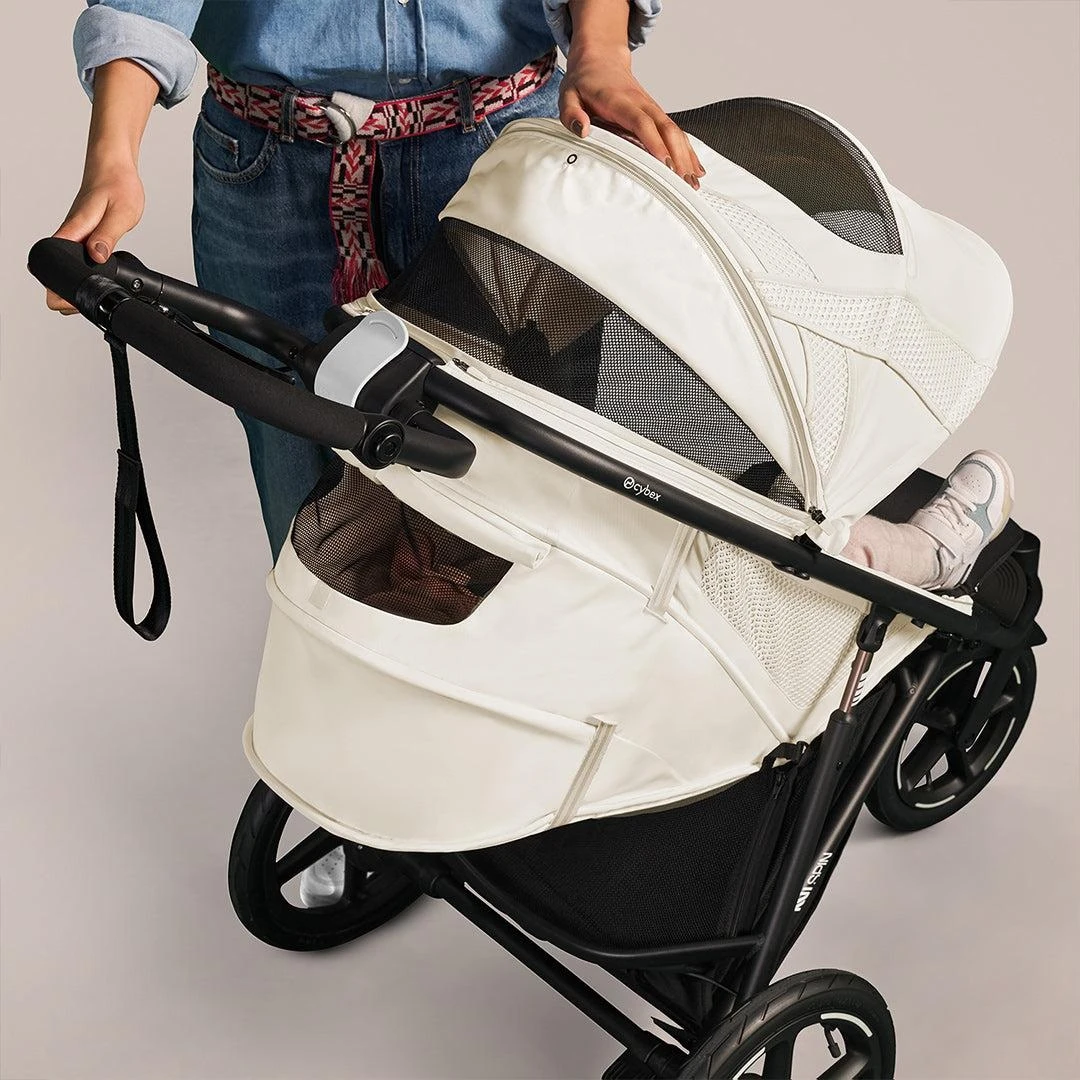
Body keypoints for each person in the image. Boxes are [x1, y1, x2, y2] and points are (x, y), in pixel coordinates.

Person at [49, 0, 1014, 905]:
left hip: (489, 142)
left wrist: (600, 51)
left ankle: (516, 733)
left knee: (532, 472)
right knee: (311, 477)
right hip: (272, 158)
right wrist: (113, 154)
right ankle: (377, 745)